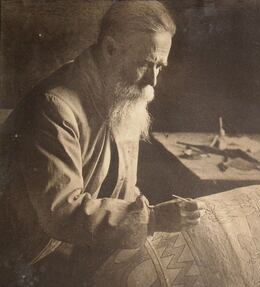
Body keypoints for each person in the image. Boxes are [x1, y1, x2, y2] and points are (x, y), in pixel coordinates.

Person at [0, 1, 202, 285]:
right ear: (109, 49)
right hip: (23, 260)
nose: (153, 80)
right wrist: (152, 219)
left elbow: (123, 186)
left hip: (73, 250)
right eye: (145, 63)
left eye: (159, 67)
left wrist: (144, 212)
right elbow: (62, 212)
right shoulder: (55, 107)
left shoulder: (121, 96)